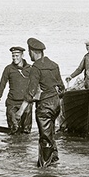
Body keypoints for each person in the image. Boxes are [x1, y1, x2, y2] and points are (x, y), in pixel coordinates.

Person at [16, 37, 65, 167]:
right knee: (51, 134)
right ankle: (54, 160)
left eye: (29, 51)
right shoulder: (54, 65)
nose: (29, 54)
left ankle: (44, 168)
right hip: (55, 104)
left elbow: (31, 92)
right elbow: (61, 87)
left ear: (33, 51)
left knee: (45, 138)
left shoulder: (36, 68)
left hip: (45, 106)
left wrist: (20, 111)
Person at [0, 46, 32, 134]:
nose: (15, 58)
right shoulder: (8, 69)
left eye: (17, 56)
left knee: (26, 132)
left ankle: (24, 147)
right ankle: (13, 147)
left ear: (22, 55)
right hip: (12, 104)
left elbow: (35, 86)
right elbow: (1, 86)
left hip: (26, 104)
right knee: (13, 130)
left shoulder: (30, 69)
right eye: (13, 56)